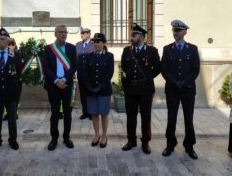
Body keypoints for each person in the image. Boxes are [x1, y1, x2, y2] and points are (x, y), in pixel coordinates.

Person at [160, 19, 200, 160]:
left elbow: (195, 69)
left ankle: (189, 146)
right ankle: (170, 144)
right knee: (171, 118)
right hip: (172, 89)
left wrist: (184, 82)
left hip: (188, 89)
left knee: (188, 119)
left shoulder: (193, 49)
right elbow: (163, 69)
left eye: (178, 30)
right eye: (174, 30)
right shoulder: (167, 49)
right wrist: (174, 81)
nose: (175, 33)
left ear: (185, 32)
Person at [121, 23, 160, 154]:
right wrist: (127, 84)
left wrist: (147, 78)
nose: (131, 37)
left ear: (142, 37)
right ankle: (131, 140)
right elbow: (124, 68)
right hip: (131, 89)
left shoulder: (152, 51)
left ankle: (145, 142)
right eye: (131, 34)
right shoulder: (127, 51)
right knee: (130, 117)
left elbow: (157, 68)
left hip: (145, 89)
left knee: (145, 117)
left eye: (134, 34)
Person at [41, 25, 77, 151]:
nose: (63, 34)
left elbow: (74, 66)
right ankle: (54, 139)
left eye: (65, 32)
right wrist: (56, 80)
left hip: (67, 85)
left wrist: (65, 79)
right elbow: (46, 67)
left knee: (68, 113)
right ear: (55, 34)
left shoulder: (72, 48)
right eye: (61, 32)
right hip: (53, 85)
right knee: (55, 113)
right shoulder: (48, 49)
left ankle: (66, 138)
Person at [0, 28, 22, 152]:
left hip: (11, 92)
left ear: (8, 41)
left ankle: (13, 140)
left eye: (2, 39)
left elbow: (18, 71)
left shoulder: (15, 55)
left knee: (12, 118)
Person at [83, 33, 114, 148]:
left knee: (104, 114)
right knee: (94, 113)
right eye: (94, 42)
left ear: (104, 43)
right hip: (91, 90)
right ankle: (96, 134)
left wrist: (99, 86)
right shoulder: (88, 56)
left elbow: (109, 73)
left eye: (98, 42)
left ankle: (104, 135)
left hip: (104, 90)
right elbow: (85, 73)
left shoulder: (109, 56)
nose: (95, 44)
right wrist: (90, 87)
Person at [75, 26, 95, 120]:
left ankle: (91, 113)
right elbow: (75, 59)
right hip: (81, 74)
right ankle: (85, 112)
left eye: (84, 33)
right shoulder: (78, 44)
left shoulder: (93, 44)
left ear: (88, 34)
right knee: (83, 95)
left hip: (90, 75)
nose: (82, 35)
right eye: (81, 33)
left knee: (90, 94)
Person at [3, 38, 23, 121]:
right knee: (5, 98)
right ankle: (6, 113)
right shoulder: (3, 54)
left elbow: (20, 67)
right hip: (6, 81)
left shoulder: (18, 54)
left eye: (13, 44)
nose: (11, 46)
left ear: (15, 45)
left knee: (16, 98)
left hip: (16, 80)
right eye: (9, 44)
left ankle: (14, 113)